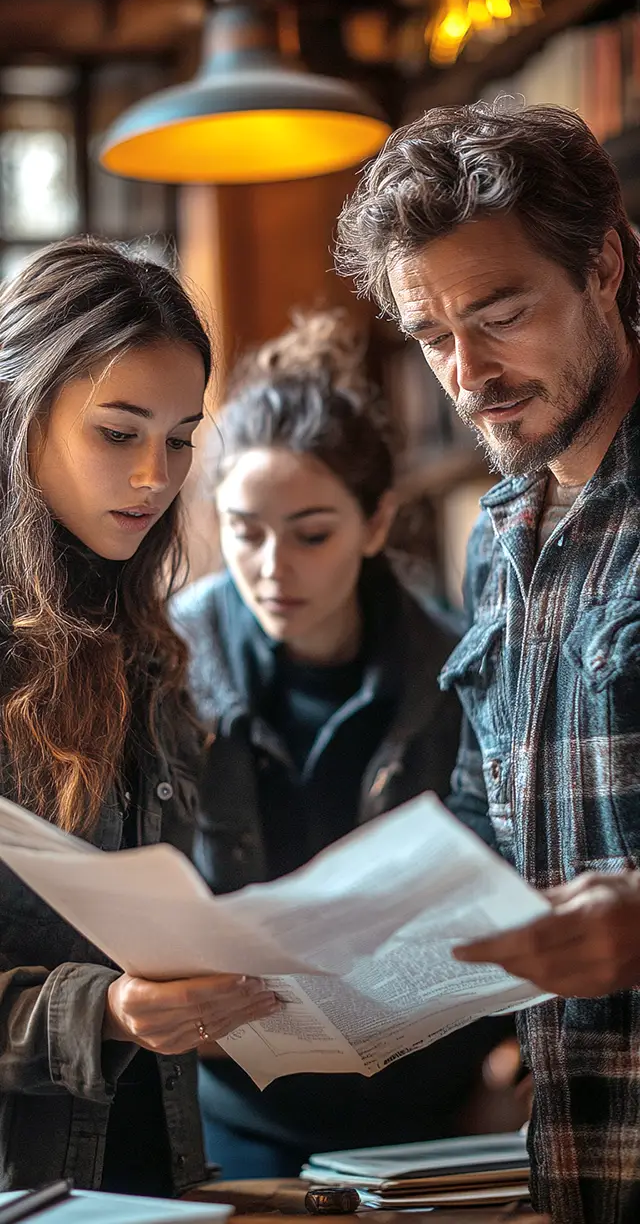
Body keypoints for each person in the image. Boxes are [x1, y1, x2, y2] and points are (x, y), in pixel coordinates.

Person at [335, 100, 640, 1223]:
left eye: (501, 312)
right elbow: (485, 830)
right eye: (429, 334)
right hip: (577, 1170)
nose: (466, 372)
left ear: (601, 265)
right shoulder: (495, 539)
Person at [171, 310, 512, 1179]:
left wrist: (510, 1065)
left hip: (433, 1120)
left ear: (375, 522)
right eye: (244, 530)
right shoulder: (165, 662)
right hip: (231, 1117)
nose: (272, 569)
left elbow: (506, 882)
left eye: (311, 532)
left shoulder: (456, 672)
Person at [0, 237, 279, 1195]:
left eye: (181, 436)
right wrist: (104, 1014)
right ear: (18, 415)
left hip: (154, 1181)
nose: (157, 476)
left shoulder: (150, 648)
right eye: (118, 434)